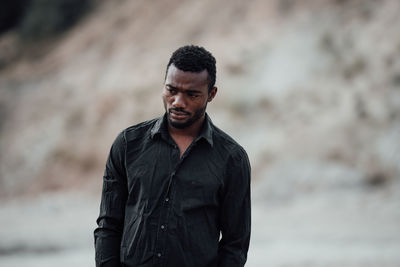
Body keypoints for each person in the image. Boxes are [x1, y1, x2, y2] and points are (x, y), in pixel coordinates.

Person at [94, 45, 251, 267]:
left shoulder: (232, 159)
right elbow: (108, 225)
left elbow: (235, 244)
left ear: (211, 94)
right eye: (172, 90)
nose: (178, 101)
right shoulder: (128, 145)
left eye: (192, 94)